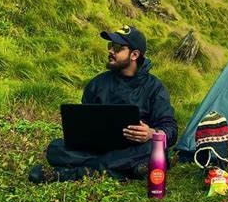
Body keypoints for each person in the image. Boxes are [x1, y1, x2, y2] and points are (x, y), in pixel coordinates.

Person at [29, 25, 177, 183]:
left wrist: (150, 133)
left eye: (117, 48)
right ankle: (124, 170)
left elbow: (171, 131)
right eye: (110, 46)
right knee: (56, 148)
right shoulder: (97, 84)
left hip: (134, 148)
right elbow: (83, 124)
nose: (110, 51)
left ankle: (69, 174)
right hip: (99, 149)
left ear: (134, 55)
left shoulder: (155, 87)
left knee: (154, 148)